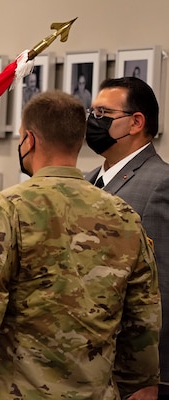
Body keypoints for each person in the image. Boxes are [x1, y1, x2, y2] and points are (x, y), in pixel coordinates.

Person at [0, 90, 161, 399]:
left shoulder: (7, 210)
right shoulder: (124, 215)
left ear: (29, 139)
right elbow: (143, 319)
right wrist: (131, 384)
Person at [84, 76, 169, 399]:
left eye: (103, 114)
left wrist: (150, 375)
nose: (93, 122)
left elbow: (162, 287)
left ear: (136, 122)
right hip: (92, 363)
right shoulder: (90, 179)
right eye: (92, 113)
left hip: (134, 374)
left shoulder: (161, 183)